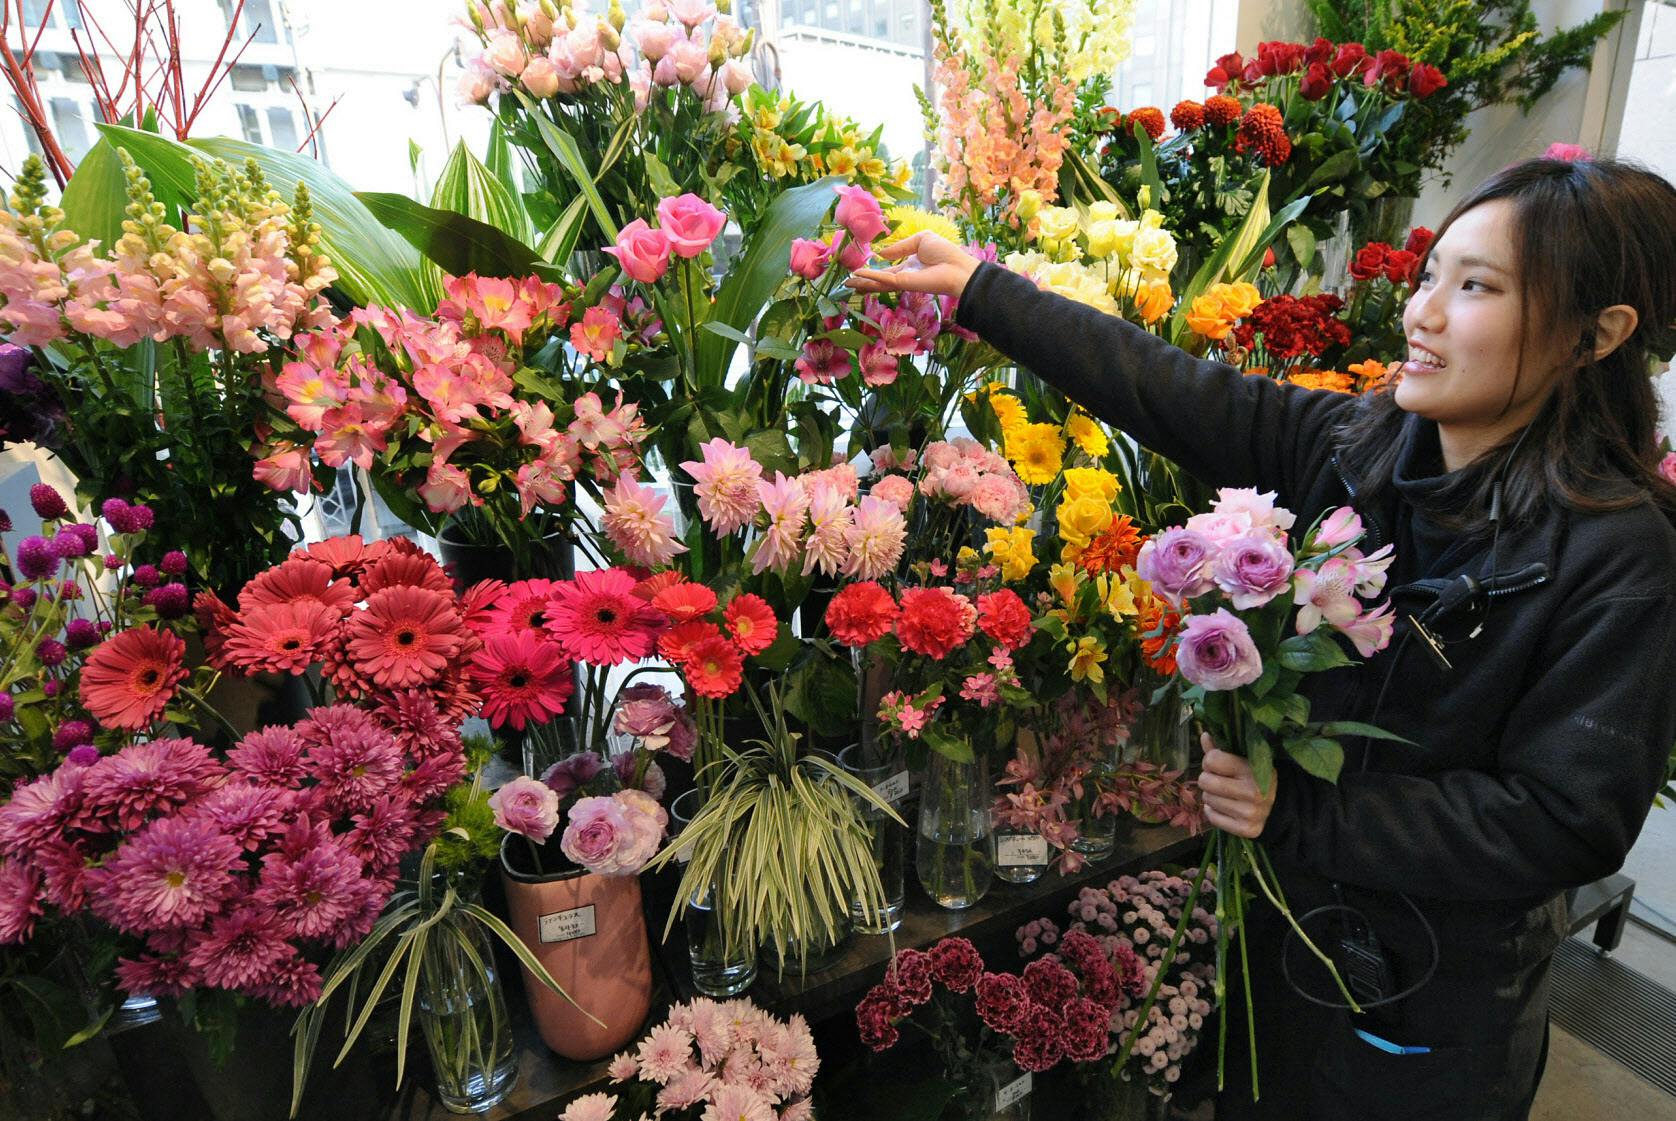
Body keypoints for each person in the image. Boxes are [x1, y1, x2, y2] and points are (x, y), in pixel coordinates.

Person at [849, 156, 1676, 1121]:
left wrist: (1301, 811)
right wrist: (983, 290)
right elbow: (1172, 389)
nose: (1424, 313)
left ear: (1598, 334)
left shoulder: (1617, 552)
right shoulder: (1358, 447)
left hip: (1434, 983)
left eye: (1477, 287)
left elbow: (1563, 819)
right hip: (1278, 942)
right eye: (1430, 276)